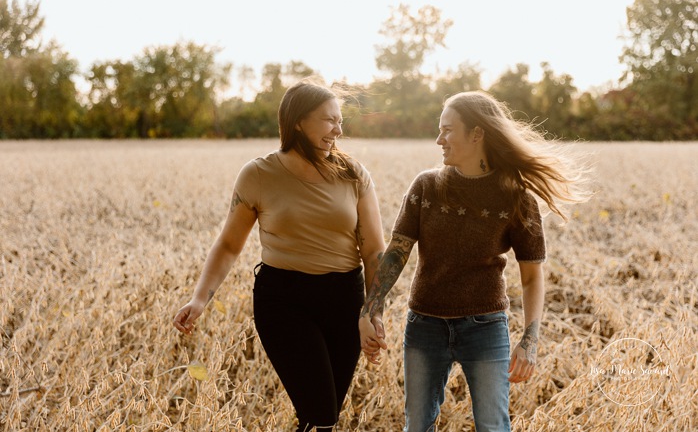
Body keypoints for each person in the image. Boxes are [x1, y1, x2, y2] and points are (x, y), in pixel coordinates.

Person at [359, 90, 592, 432]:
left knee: (493, 426)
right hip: (424, 325)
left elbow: (531, 278)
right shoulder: (426, 187)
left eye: (448, 130)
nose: (439, 139)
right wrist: (370, 309)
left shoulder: (516, 197)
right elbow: (397, 251)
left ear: (477, 133)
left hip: (485, 328)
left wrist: (530, 340)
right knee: (417, 425)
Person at [173, 80, 385, 432]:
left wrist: (372, 311)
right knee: (322, 414)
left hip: (344, 299)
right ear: (299, 121)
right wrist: (199, 299)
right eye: (330, 120)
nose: (339, 129)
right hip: (284, 302)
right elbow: (228, 245)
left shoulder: (354, 175)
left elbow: (374, 250)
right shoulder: (258, 174)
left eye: (341, 120)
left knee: (319, 413)